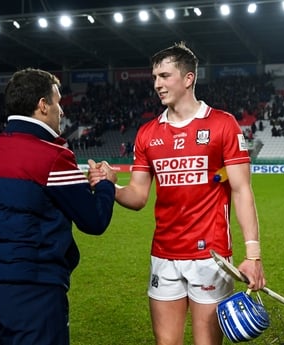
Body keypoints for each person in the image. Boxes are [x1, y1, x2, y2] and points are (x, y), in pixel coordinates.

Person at [94, 42, 265, 345]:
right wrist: (110, 185)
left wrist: (253, 255)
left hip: (211, 256)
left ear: (188, 79)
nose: (157, 84)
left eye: (164, 76)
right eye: (155, 77)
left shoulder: (222, 124)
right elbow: (137, 196)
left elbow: (241, 190)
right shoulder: (148, 133)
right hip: (164, 254)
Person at [0, 68, 117, 345]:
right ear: (43, 106)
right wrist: (105, 184)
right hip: (36, 288)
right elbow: (94, 221)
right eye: (57, 102)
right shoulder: (53, 156)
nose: (61, 111)